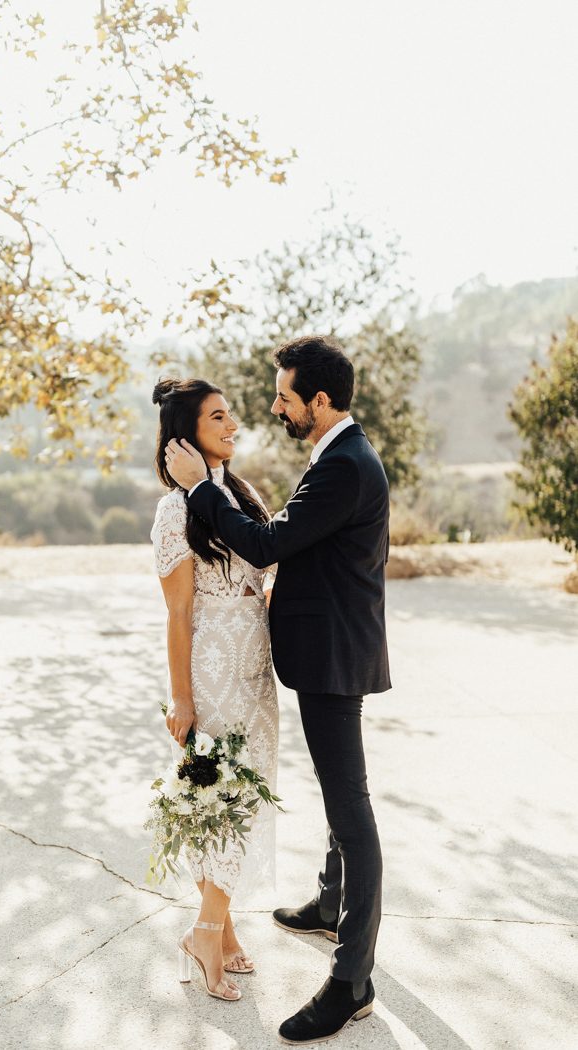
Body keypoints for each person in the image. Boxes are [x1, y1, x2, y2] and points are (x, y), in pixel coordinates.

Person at [164, 335, 390, 1043]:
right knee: (320, 793)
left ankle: (352, 978)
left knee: (349, 808)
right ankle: (330, 904)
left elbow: (266, 547)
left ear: (320, 401)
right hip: (274, 662)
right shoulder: (334, 458)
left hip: (327, 659)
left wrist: (203, 486)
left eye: (285, 398)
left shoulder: (343, 466)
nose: (273, 410)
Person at [150, 377, 279, 1003]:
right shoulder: (175, 511)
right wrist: (183, 699)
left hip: (257, 670)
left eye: (231, 416)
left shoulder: (244, 495)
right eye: (218, 417)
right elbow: (177, 614)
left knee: (241, 797)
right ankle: (205, 932)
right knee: (229, 797)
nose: (233, 426)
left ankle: (222, 931)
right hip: (215, 670)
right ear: (187, 436)